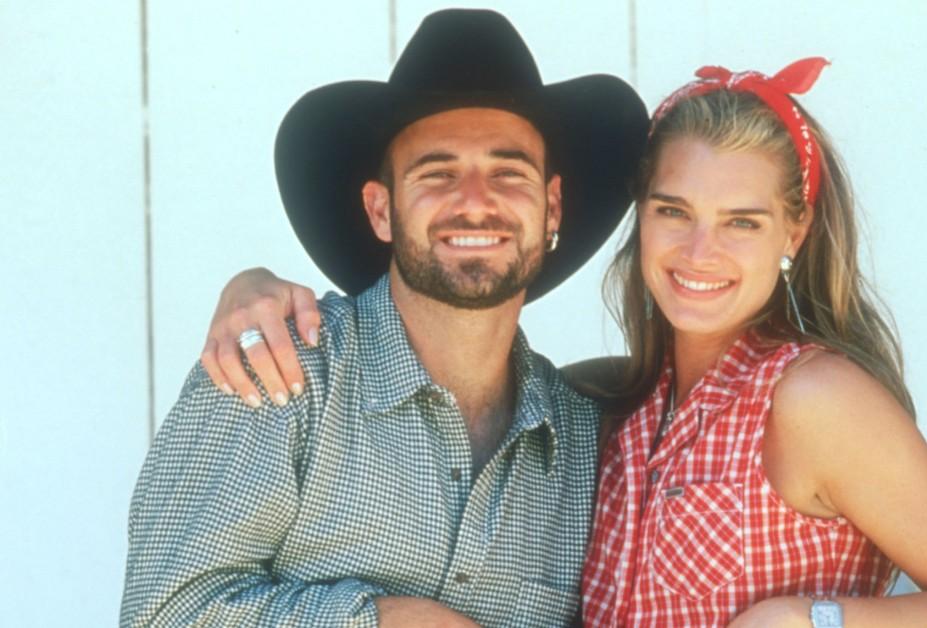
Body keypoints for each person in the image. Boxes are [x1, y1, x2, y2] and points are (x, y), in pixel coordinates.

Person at [199, 64, 927, 627]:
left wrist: (806, 620)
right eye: (674, 211)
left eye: (741, 223)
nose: (699, 252)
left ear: (794, 231)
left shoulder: (814, 400)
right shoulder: (604, 410)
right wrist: (253, 285)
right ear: (640, 217)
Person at [119, 9, 647, 628]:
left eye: (508, 171)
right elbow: (164, 612)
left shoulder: (588, 441)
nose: (476, 202)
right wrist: (386, 620)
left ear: (551, 207)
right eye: (438, 173)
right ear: (380, 210)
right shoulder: (277, 373)